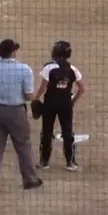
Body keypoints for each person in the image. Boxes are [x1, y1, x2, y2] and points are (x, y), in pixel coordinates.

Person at [0, 39, 43, 194]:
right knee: (23, 146)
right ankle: (30, 179)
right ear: (13, 53)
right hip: (16, 112)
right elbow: (28, 96)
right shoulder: (24, 69)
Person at [36, 40, 86, 172]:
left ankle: (44, 162)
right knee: (68, 131)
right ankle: (70, 162)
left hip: (50, 104)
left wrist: (36, 99)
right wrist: (73, 101)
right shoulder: (73, 69)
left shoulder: (49, 67)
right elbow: (82, 88)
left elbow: (43, 86)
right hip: (65, 104)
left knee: (46, 132)